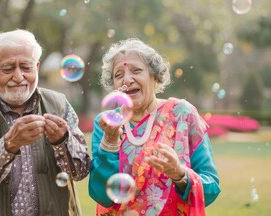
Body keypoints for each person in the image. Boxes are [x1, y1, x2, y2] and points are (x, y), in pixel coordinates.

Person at [0, 29, 90, 216]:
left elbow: (80, 172)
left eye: (26, 67)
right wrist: (8, 146)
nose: (18, 77)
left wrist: (62, 141)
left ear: (37, 66)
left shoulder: (59, 104)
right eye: (8, 69)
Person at [88, 38, 221, 215]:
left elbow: (211, 188)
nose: (127, 79)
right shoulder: (106, 124)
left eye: (136, 70)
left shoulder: (183, 114)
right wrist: (110, 141)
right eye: (118, 75)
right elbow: (101, 195)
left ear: (154, 76)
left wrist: (180, 175)